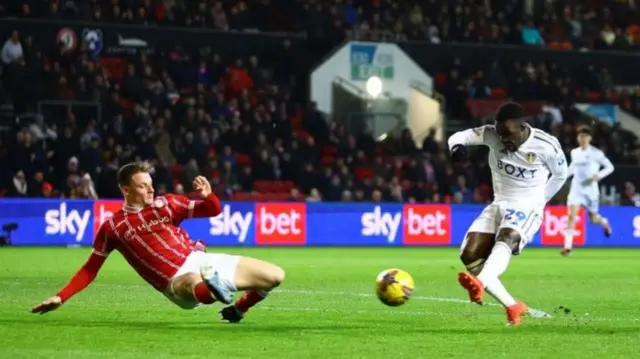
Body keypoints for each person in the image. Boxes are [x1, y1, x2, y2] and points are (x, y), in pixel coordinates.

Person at [31, 161, 285, 323]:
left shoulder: (168, 203)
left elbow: (213, 210)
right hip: (175, 279)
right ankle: (214, 288)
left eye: (151, 185)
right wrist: (61, 297)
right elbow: (90, 269)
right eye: (143, 187)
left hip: (200, 259)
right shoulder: (113, 227)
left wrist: (209, 196)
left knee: (276, 275)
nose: (151, 190)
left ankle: (237, 308)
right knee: (192, 282)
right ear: (125, 189)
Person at [447, 102, 568, 326]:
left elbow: (561, 174)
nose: (504, 140)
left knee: (508, 236)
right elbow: (457, 137)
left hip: (527, 205)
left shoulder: (546, 145)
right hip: (499, 202)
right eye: (501, 134)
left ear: (522, 127)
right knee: (469, 253)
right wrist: (457, 149)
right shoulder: (492, 134)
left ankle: (480, 283)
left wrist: (540, 201)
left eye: (509, 135)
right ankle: (513, 306)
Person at [562, 127, 614, 256]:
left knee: (593, 219)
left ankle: (604, 222)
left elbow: (610, 167)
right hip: (576, 189)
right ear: (578, 138)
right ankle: (568, 247)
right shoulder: (575, 152)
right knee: (571, 216)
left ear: (590, 138)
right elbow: (573, 168)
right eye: (581, 136)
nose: (583, 139)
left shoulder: (597, 153)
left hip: (591, 191)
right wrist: (561, 177)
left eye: (585, 136)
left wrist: (599, 175)